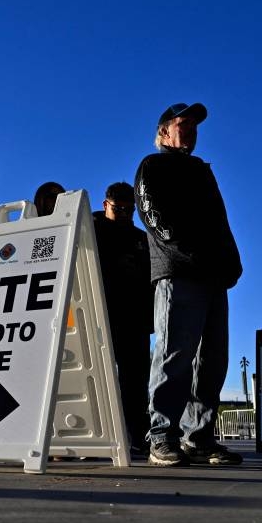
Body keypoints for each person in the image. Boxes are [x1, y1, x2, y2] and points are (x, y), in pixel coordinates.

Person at [134, 103, 243, 467]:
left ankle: (198, 436)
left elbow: (221, 221)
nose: (192, 130)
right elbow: (155, 219)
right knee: (174, 355)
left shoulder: (201, 171)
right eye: (184, 124)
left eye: (196, 125)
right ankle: (162, 435)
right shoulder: (153, 166)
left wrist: (232, 260)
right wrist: (191, 257)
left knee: (213, 359)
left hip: (214, 277)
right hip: (178, 275)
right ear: (164, 131)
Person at [92, 182, 153, 452]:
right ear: (106, 205)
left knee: (136, 381)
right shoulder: (89, 231)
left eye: (130, 210)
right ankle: (95, 436)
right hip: (97, 315)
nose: (125, 214)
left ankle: (136, 437)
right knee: (96, 378)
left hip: (134, 320)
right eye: (118, 209)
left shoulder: (141, 239)